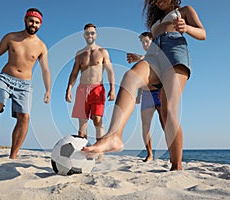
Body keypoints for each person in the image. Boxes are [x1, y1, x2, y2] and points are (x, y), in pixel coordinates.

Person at [83, 0, 206, 171]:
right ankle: (114, 136)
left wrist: (187, 28)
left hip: (175, 51)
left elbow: (203, 33)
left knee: (168, 108)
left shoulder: (185, 11)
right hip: (154, 54)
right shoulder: (155, 22)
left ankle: (176, 165)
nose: (158, 2)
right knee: (130, 78)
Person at [0, 8, 51, 162]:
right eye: (31, 20)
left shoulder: (41, 46)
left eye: (37, 22)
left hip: (25, 85)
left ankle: (13, 156)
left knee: (24, 117)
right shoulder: (11, 37)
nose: (34, 24)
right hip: (5, 79)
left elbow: (45, 69)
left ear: (40, 25)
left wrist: (48, 89)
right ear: (25, 20)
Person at [65, 23, 115, 160]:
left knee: (97, 119)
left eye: (92, 33)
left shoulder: (103, 51)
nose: (90, 35)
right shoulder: (80, 54)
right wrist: (69, 88)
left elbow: (110, 70)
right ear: (84, 35)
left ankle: (100, 151)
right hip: (82, 89)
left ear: (96, 34)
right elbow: (74, 72)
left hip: (97, 88)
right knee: (82, 124)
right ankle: (84, 151)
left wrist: (112, 88)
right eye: (87, 33)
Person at [127, 32, 164, 162]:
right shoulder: (144, 59)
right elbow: (141, 79)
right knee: (145, 126)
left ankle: (173, 153)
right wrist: (138, 95)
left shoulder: (159, 55)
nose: (144, 44)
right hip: (147, 94)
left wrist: (138, 58)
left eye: (146, 41)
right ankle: (149, 154)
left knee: (165, 123)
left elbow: (149, 60)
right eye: (142, 42)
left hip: (159, 92)